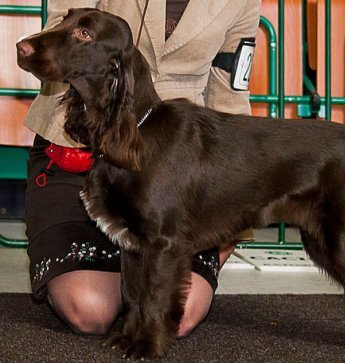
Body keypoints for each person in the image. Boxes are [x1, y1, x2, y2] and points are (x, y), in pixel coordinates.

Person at [23, 0, 260, 337]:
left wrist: (235, 220)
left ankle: (134, 276)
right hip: (81, 155)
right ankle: (118, 277)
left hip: (176, 177)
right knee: (88, 308)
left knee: (173, 315)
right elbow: (60, 35)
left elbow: (229, 95)